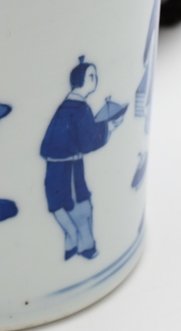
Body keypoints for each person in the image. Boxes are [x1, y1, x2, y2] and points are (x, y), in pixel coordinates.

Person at [40, 56, 122, 260]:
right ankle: (86, 245)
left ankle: (71, 241)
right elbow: (87, 142)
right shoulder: (81, 109)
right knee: (80, 204)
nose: (95, 79)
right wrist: (109, 127)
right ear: (80, 80)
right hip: (70, 165)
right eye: (91, 75)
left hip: (53, 165)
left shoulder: (65, 105)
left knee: (57, 204)